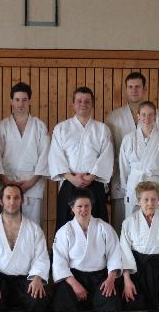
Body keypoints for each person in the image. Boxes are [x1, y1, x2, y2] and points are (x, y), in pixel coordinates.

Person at [0, 184, 50, 312]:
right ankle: (10, 301)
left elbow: (41, 257)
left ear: (22, 200)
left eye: (16, 198)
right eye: (8, 197)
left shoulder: (34, 229)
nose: (12, 202)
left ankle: (9, 301)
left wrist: (37, 278)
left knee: (38, 303)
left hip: (24, 279)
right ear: (1, 201)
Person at [48, 87, 114, 233]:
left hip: (94, 183)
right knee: (66, 226)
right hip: (69, 182)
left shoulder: (102, 129)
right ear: (73, 104)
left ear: (92, 104)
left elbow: (107, 156)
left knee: (97, 227)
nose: (83, 104)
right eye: (79, 101)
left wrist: (91, 176)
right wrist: (71, 177)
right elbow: (56, 156)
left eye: (87, 101)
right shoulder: (61, 128)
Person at [106, 72, 159, 231]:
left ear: (145, 89)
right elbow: (110, 150)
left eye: (138, 87)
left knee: (154, 224)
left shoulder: (158, 116)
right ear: (126, 89)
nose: (134, 90)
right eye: (130, 87)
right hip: (123, 176)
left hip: (152, 177)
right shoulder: (114, 116)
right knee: (123, 223)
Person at [50, 188, 122, 312]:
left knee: (112, 305)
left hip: (100, 277)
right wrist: (74, 284)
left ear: (91, 206)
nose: (84, 210)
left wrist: (110, 280)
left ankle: (93, 301)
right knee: (62, 304)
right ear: (72, 208)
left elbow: (114, 255)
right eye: (79, 206)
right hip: (75, 277)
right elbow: (59, 262)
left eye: (87, 206)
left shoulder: (104, 228)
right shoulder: (64, 231)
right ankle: (90, 302)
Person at [119, 182, 159, 312]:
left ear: (158, 200)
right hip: (137, 269)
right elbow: (124, 253)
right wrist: (127, 281)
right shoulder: (128, 222)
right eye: (146, 199)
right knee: (130, 303)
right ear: (138, 201)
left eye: (154, 199)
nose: (150, 203)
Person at [0, 82, 50, 226]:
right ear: (11, 101)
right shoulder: (2, 127)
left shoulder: (39, 126)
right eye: (17, 100)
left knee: (32, 226)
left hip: (33, 183)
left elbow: (45, 156)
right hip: (7, 183)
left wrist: (31, 182)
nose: (21, 104)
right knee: (7, 226)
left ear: (29, 101)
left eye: (24, 100)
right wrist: (6, 182)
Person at [118, 101, 159, 218]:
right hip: (135, 182)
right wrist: (125, 186)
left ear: (155, 116)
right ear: (138, 116)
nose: (146, 118)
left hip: (156, 182)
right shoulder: (129, 138)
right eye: (143, 114)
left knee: (157, 219)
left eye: (150, 114)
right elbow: (124, 166)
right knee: (133, 219)